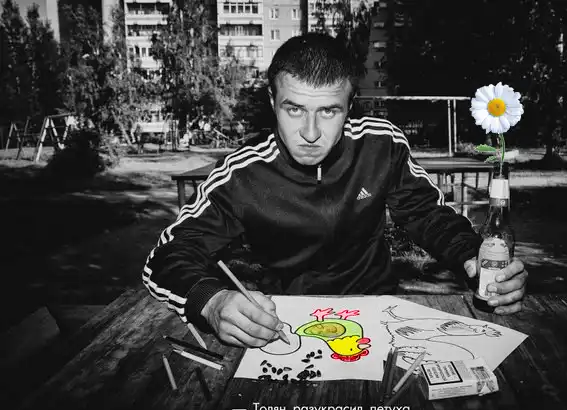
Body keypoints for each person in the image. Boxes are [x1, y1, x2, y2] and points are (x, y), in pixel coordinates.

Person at [142, 33, 528, 349]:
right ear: (273, 102)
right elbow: (167, 257)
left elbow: (428, 215)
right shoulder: (242, 173)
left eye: (328, 111)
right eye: (294, 109)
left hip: (380, 315)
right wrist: (211, 301)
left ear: (349, 106)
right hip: (282, 325)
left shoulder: (381, 145)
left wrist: (474, 258)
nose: (310, 133)